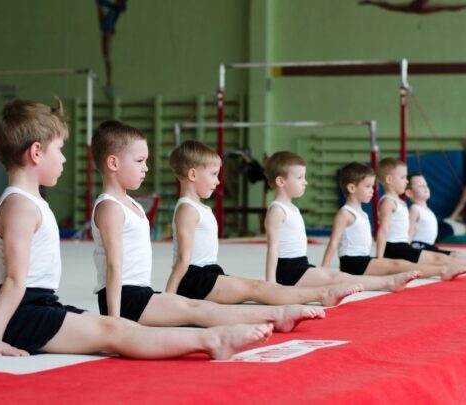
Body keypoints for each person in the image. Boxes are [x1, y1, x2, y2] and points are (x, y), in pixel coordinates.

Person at [0, 98, 271, 360]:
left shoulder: (29, 202)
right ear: (36, 152)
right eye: (59, 150)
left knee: (111, 326)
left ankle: (216, 335)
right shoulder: (20, 207)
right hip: (22, 317)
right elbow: (12, 280)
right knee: (115, 332)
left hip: (39, 307)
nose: (64, 159)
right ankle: (210, 340)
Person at [90, 121, 325, 333]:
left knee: (200, 308)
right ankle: (276, 315)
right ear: (114, 162)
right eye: (140, 161)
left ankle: (275, 315)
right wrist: (114, 321)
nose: (146, 168)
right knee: (200, 311)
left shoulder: (132, 205)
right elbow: (114, 265)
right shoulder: (110, 208)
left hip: (140, 293)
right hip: (125, 299)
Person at [166, 140, 362, 307]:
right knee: (258, 289)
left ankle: (314, 297)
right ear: (192, 175)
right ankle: (321, 294)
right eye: (214, 174)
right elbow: (183, 259)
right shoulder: (187, 209)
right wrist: (169, 297)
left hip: (207, 273)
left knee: (256, 289)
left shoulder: (200, 208)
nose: (218, 181)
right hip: (194, 279)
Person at [264, 152, 419, 292]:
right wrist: (271, 282)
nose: (305, 182)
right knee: (338, 279)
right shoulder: (277, 210)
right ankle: (387, 283)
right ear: (281, 181)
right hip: (288, 270)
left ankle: (387, 282)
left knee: (336, 276)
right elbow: (273, 248)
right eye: (300, 178)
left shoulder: (292, 208)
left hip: (300, 265)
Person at [320, 162, 466, 281]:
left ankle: (442, 270)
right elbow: (333, 243)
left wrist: (377, 258)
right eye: (368, 187)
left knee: (399, 265)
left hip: (364, 260)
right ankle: (442, 271)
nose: (372, 190)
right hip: (352, 263)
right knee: (398, 265)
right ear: (352, 188)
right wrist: (325, 272)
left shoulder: (362, 214)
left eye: (372, 186)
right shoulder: (345, 213)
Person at [376, 157, 466, 271]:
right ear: (389, 180)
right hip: (401, 246)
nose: (405, 181)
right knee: (438, 259)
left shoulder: (401, 203)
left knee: (449, 255)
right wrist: (379, 259)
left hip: (405, 246)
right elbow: (386, 231)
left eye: (406, 178)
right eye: (403, 177)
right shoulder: (392, 203)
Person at [96, 0, 127, 99]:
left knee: (107, 57)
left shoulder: (116, 8)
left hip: (108, 32)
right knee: (105, 57)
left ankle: (109, 82)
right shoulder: (114, 8)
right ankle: (108, 81)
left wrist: (100, 2)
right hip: (105, 30)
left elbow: (105, 3)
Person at [358, 0, 466, 14]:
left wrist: (370, 3)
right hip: (418, 8)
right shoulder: (430, 7)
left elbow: (387, 5)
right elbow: (452, 8)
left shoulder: (407, 6)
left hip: (415, 8)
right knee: (447, 8)